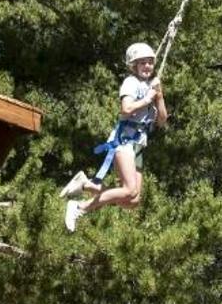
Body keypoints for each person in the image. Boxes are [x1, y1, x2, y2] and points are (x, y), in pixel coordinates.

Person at [61, 40, 167, 232]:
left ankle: (86, 184)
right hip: (124, 141)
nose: (147, 66)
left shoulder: (152, 86)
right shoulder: (131, 83)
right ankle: (79, 207)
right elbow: (126, 109)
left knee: (132, 201)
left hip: (139, 145)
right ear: (134, 65)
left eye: (150, 62)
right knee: (129, 190)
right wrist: (147, 99)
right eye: (142, 62)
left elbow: (161, 121)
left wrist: (159, 97)